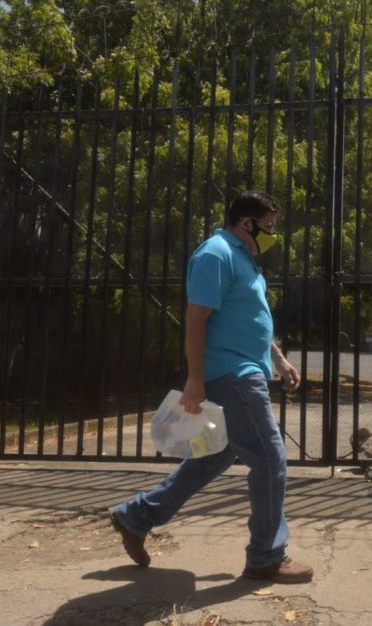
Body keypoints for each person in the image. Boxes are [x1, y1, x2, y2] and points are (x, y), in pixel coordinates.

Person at [109, 190, 312, 584]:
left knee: (212, 458)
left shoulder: (244, 260)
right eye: (268, 226)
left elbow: (249, 319)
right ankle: (266, 557)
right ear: (246, 223)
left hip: (247, 369)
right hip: (232, 375)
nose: (273, 234)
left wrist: (279, 359)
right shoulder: (215, 254)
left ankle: (135, 517)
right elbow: (196, 318)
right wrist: (195, 379)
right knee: (270, 461)